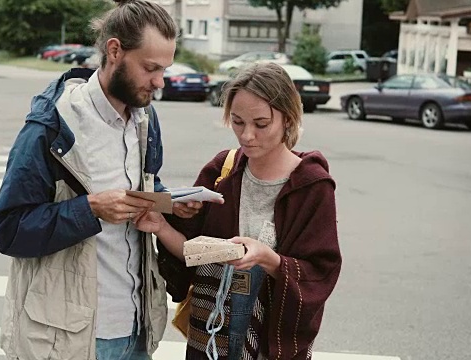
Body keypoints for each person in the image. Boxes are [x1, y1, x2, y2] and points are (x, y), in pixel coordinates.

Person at [0, 1, 201, 359]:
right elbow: (9, 229)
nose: (159, 82)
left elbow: (145, 188)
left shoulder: (145, 120)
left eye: (164, 69)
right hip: (69, 337)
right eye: (150, 68)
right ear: (114, 50)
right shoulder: (52, 126)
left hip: (138, 328)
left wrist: (170, 204)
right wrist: (91, 209)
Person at [135, 62, 343, 360]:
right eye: (237, 121)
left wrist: (269, 259)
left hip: (271, 344)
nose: (247, 136)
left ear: (288, 119)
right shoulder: (222, 170)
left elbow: (321, 271)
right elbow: (193, 253)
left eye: (261, 124)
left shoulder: (311, 185)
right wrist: (161, 226)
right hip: (209, 337)